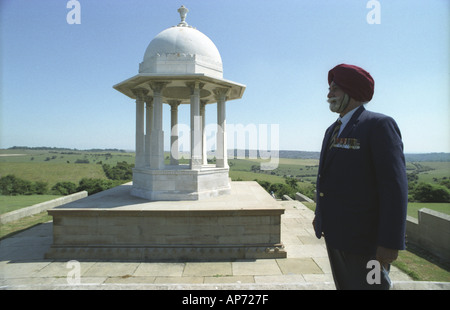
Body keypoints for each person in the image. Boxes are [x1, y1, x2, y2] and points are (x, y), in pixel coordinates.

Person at [312, 64, 408, 290]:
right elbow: (326, 178)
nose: (329, 94)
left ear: (351, 91)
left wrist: (390, 242)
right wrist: (321, 214)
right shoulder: (332, 130)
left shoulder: (378, 125)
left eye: (335, 89)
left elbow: (394, 188)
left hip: (367, 242)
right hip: (336, 236)